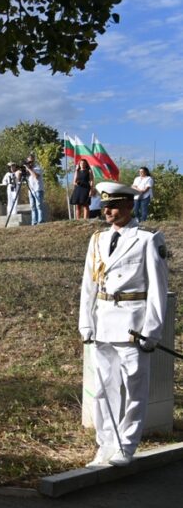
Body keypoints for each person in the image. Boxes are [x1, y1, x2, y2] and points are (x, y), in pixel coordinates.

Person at [79, 182, 168, 467]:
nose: (107, 211)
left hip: (133, 325)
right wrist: (86, 323)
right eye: (105, 206)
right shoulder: (97, 240)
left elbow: (157, 288)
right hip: (104, 320)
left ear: (129, 206)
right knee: (104, 389)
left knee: (134, 387)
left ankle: (126, 445)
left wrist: (152, 330)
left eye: (114, 206)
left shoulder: (147, 239)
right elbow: (88, 285)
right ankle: (105, 445)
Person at [25, 153, 44, 225]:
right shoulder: (27, 170)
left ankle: (40, 221)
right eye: (28, 161)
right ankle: (34, 222)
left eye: (31, 161)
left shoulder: (37, 168)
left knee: (39, 205)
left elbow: (36, 176)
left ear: (33, 161)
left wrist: (29, 169)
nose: (30, 163)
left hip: (38, 189)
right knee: (32, 206)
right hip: (31, 189)